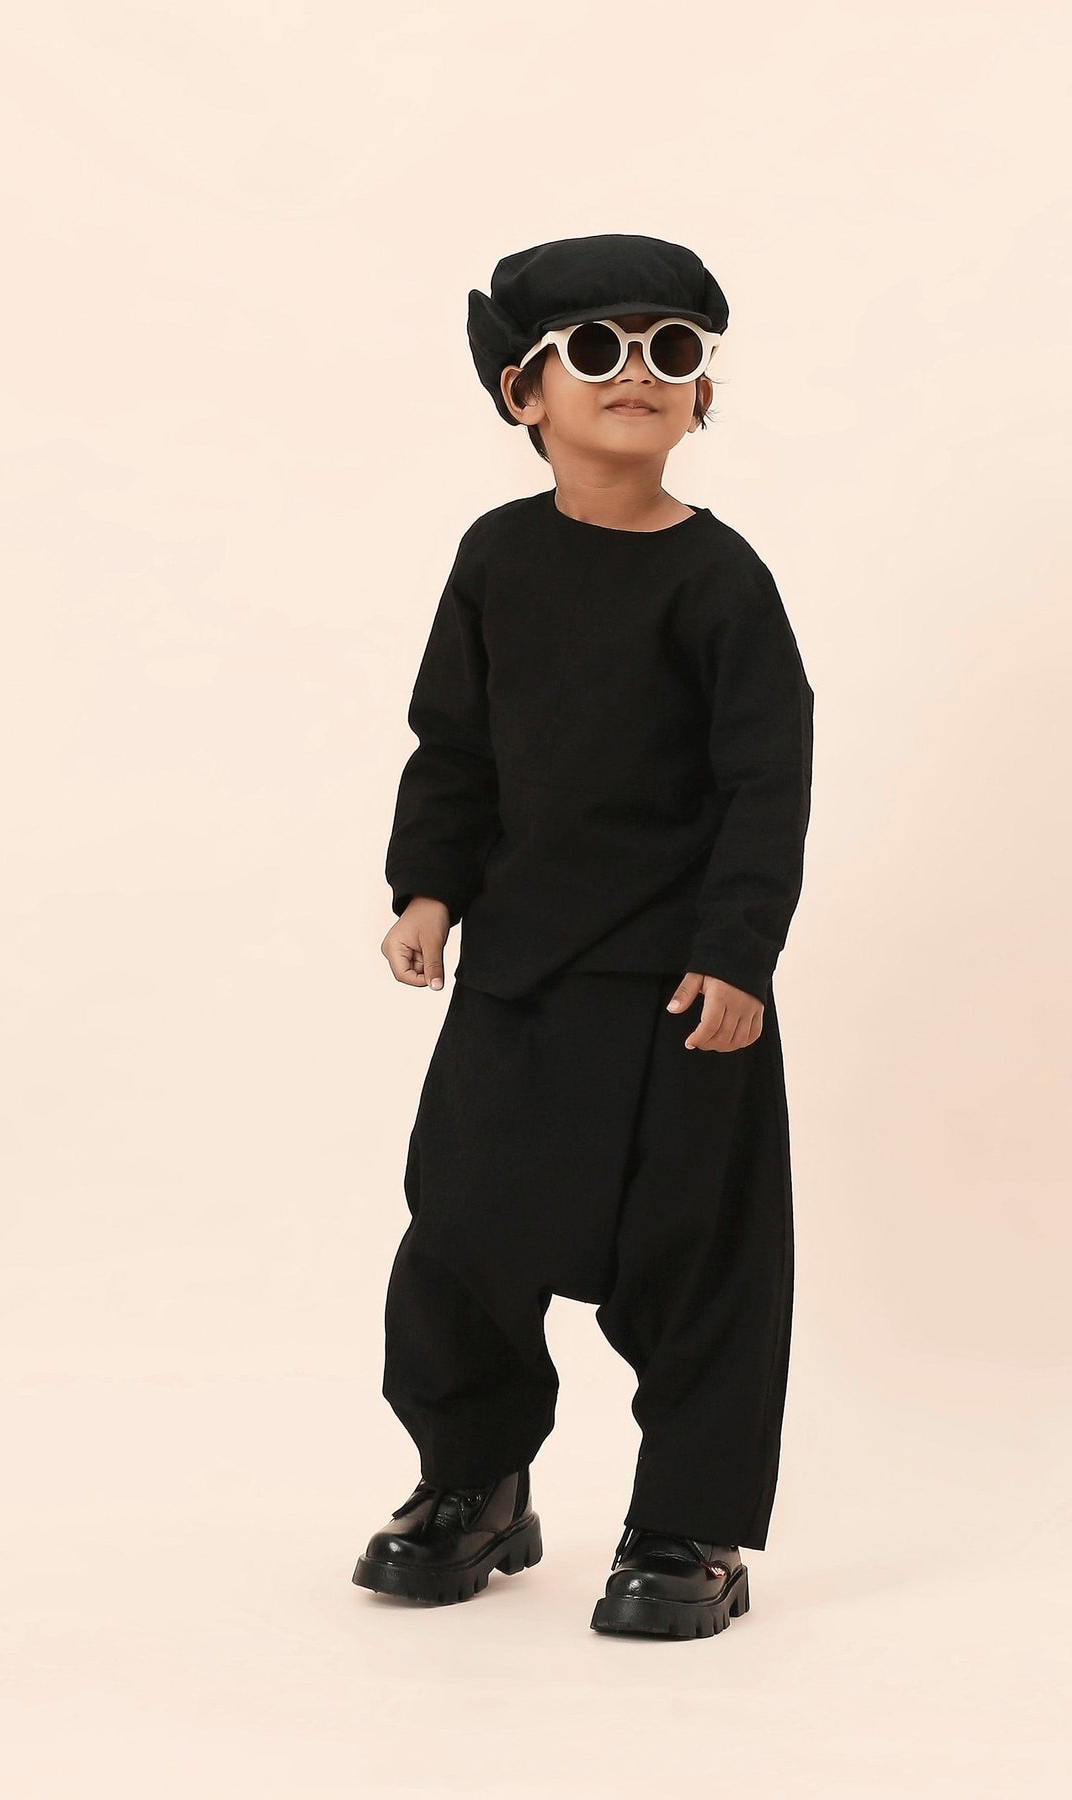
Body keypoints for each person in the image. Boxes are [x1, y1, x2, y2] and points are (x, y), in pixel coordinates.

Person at [350, 233, 814, 1640]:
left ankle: (690, 1524)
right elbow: (455, 743)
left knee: (700, 1255)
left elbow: (766, 780)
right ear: (523, 393)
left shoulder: (721, 581)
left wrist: (737, 952)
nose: (638, 374)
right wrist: (429, 887)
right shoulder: (496, 558)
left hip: (680, 985)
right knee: (461, 1236)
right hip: (524, 975)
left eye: (672, 350)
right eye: (597, 350)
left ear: (703, 396)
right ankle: (474, 1480)